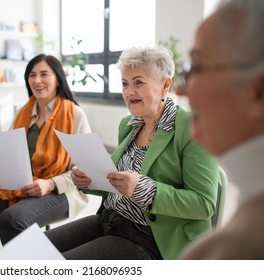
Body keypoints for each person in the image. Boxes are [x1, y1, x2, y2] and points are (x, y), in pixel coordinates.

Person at [44, 46, 219, 260]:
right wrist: (90, 180)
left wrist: (144, 189)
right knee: (31, 251)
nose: (129, 92)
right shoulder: (129, 124)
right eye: (125, 83)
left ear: (165, 85)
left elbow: (204, 204)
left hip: (150, 238)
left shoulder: (193, 128)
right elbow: (117, 183)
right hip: (109, 219)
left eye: (138, 82)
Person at [0, 54, 91, 260]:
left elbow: (85, 171)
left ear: (58, 79)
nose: (37, 80)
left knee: (12, 220)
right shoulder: (22, 113)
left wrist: (50, 183)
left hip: (63, 190)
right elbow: (7, 155)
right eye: (32, 75)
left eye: (44, 74)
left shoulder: (75, 115)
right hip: (21, 186)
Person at [177, 0, 264, 259]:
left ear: (258, 93)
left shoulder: (233, 252)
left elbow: (202, 202)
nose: (181, 90)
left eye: (197, 67)